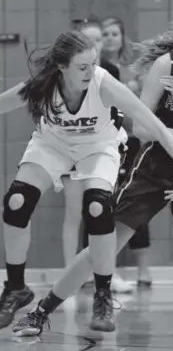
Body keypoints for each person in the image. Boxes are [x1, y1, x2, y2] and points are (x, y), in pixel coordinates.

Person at [12, 5, 173, 338]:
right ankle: (40, 311)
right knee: (104, 246)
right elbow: (142, 127)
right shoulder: (167, 66)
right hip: (157, 166)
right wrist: (171, 132)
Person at [0, 29, 173, 332]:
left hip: (99, 147)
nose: (90, 72)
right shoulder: (43, 85)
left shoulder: (104, 83)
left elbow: (155, 125)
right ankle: (15, 288)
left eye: (93, 64)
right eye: (82, 67)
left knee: (97, 207)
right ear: (61, 67)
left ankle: (103, 295)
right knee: (16, 202)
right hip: (52, 145)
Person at [61, 17, 133, 293]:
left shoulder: (109, 70)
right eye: (88, 40)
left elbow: (117, 113)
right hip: (70, 147)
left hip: (101, 151)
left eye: (99, 39)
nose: (95, 44)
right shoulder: (66, 71)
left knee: (102, 214)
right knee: (72, 214)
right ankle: (68, 278)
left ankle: (105, 272)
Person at [102, 16, 152, 287]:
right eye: (104, 34)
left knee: (136, 201)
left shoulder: (132, 70)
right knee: (102, 204)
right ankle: (103, 269)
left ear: (122, 37)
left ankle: (144, 270)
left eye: (113, 34)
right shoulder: (93, 69)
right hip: (104, 142)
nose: (109, 39)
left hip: (130, 141)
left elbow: (145, 109)